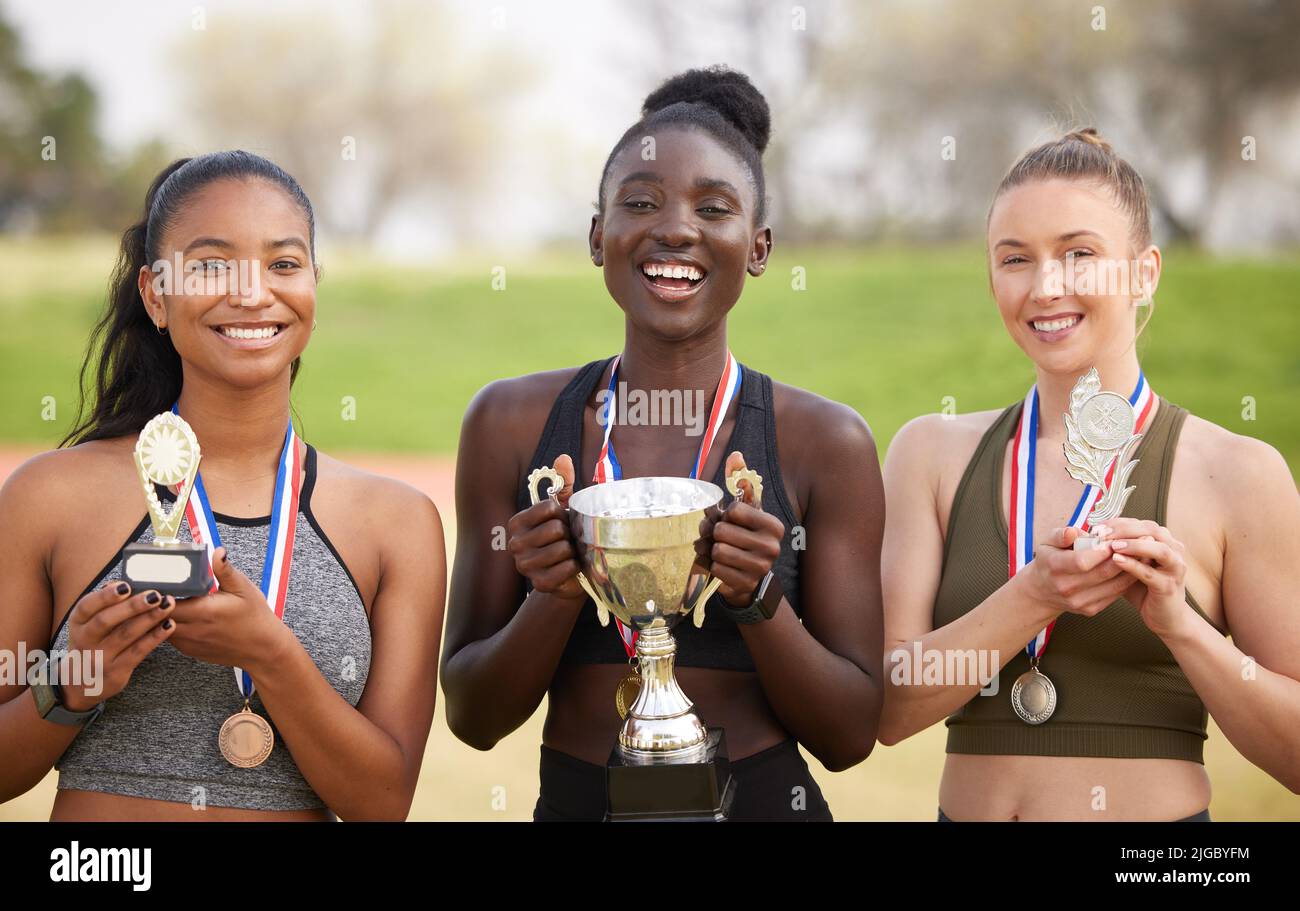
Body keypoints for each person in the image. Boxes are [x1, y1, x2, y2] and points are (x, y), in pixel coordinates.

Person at [442, 66, 884, 821]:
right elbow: (473, 717)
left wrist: (760, 597)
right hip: (581, 802)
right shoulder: (511, 423)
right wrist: (553, 594)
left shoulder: (824, 440)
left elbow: (850, 733)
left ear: (759, 246)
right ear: (597, 235)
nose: (675, 228)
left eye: (714, 208)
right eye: (640, 202)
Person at [0, 150, 446, 820]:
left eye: (283, 263)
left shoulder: (398, 522)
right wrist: (67, 684)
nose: (250, 292)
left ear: (313, 290)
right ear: (156, 294)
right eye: (210, 264)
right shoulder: (49, 496)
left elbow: (382, 802)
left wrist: (269, 652)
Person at [879, 128, 1300, 820]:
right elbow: (891, 708)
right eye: (1016, 259)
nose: (1047, 286)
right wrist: (1034, 595)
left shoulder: (1239, 474)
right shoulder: (929, 453)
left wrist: (1181, 626)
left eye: (1080, 254)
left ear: (1144, 273)